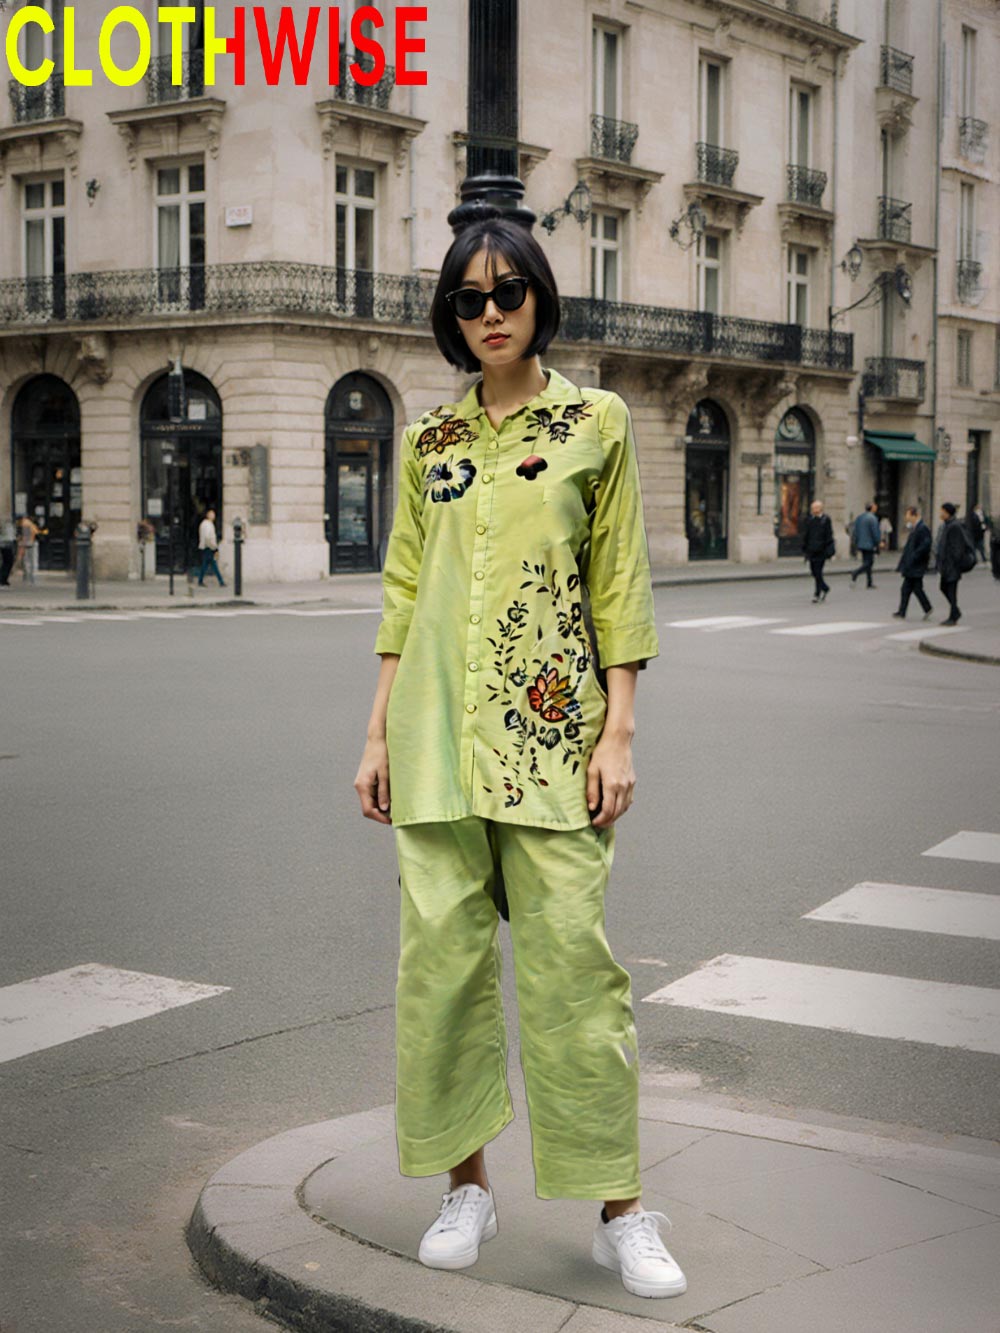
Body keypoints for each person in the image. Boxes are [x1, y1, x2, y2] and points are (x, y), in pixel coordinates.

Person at [353, 207, 686, 1300]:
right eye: (468, 299)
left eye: (507, 292)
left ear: (541, 295)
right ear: (451, 318)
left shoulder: (597, 423)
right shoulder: (428, 442)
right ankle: (467, 1187)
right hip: (433, 742)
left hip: (553, 740)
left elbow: (618, 582)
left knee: (575, 982)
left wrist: (619, 730)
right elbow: (404, 592)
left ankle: (621, 1211)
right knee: (437, 977)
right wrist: (374, 734)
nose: (489, 313)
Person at [934, 501, 974, 625]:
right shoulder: (947, 525)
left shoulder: (954, 526)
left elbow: (957, 548)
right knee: (944, 587)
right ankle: (955, 612)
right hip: (947, 565)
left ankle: (953, 616)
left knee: (951, 590)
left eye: (942, 511)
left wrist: (953, 563)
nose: (940, 513)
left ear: (947, 513)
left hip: (951, 565)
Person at [892, 505, 933, 620]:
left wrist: (915, 556)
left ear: (914, 515)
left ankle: (925, 608)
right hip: (912, 565)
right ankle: (904, 611)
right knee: (908, 589)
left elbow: (925, 545)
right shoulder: (916, 528)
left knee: (915, 589)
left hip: (916, 565)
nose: (906, 518)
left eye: (908, 515)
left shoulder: (922, 528)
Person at [801, 499, 835, 603]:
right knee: (813, 571)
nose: (814, 510)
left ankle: (817, 594)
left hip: (821, 550)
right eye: (813, 508)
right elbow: (806, 534)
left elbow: (829, 535)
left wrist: (829, 550)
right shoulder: (809, 519)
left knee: (818, 572)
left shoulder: (825, 520)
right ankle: (825, 588)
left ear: (821, 508)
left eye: (816, 508)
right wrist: (804, 548)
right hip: (811, 550)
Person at [849, 502, 880, 588]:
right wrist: (877, 542)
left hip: (861, 543)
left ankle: (869, 582)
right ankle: (855, 573)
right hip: (869, 544)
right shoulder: (873, 518)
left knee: (866, 563)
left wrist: (856, 542)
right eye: (875, 507)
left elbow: (855, 531)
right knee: (869, 563)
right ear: (872, 508)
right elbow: (875, 532)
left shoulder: (860, 517)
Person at [196, 508, 225, 587]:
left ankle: (200, 580)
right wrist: (214, 547)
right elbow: (208, 538)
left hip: (206, 547)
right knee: (214, 565)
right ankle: (221, 581)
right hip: (209, 548)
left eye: (214, 514)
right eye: (212, 514)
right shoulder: (208, 525)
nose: (213, 516)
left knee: (205, 565)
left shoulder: (204, 524)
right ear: (208, 515)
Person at [17, 514, 46, 584]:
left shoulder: (25, 524)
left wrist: (22, 548)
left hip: (29, 545)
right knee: (32, 562)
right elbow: (36, 533)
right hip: (32, 543)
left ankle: (28, 578)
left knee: (27, 562)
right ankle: (31, 577)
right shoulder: (31, 524)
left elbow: (26, 537)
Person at [967, 502, 989, 566]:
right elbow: (974, 525)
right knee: (976, 547)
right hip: (975, 534)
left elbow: (984, 522)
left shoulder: (981, 514)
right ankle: (977, 559)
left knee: (980, 547)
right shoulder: (973, 515)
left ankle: (982, 559)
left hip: (979, 534)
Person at [0, 515, 16, 587]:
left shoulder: (9, 525)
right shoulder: (5, 524)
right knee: (8, 561)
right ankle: (3, 579)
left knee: (8, 562)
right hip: (5, 544)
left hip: (7, 543)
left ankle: (4, 578)